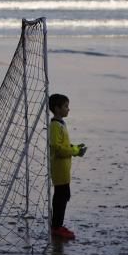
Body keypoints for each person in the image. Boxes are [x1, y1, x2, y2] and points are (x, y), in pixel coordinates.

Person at [49, 93, 87, 241]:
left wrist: (75, 147)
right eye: (65, 106)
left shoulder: (61, 124)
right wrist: (75, 152)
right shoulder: (54, 126)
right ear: (57, 109)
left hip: (64, 169)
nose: (68, 109)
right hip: (59, 168)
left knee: (64, 196)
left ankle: (58, 225)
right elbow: (58, 149)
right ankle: (56, 227)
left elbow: (64, 145)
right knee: (60, 197)